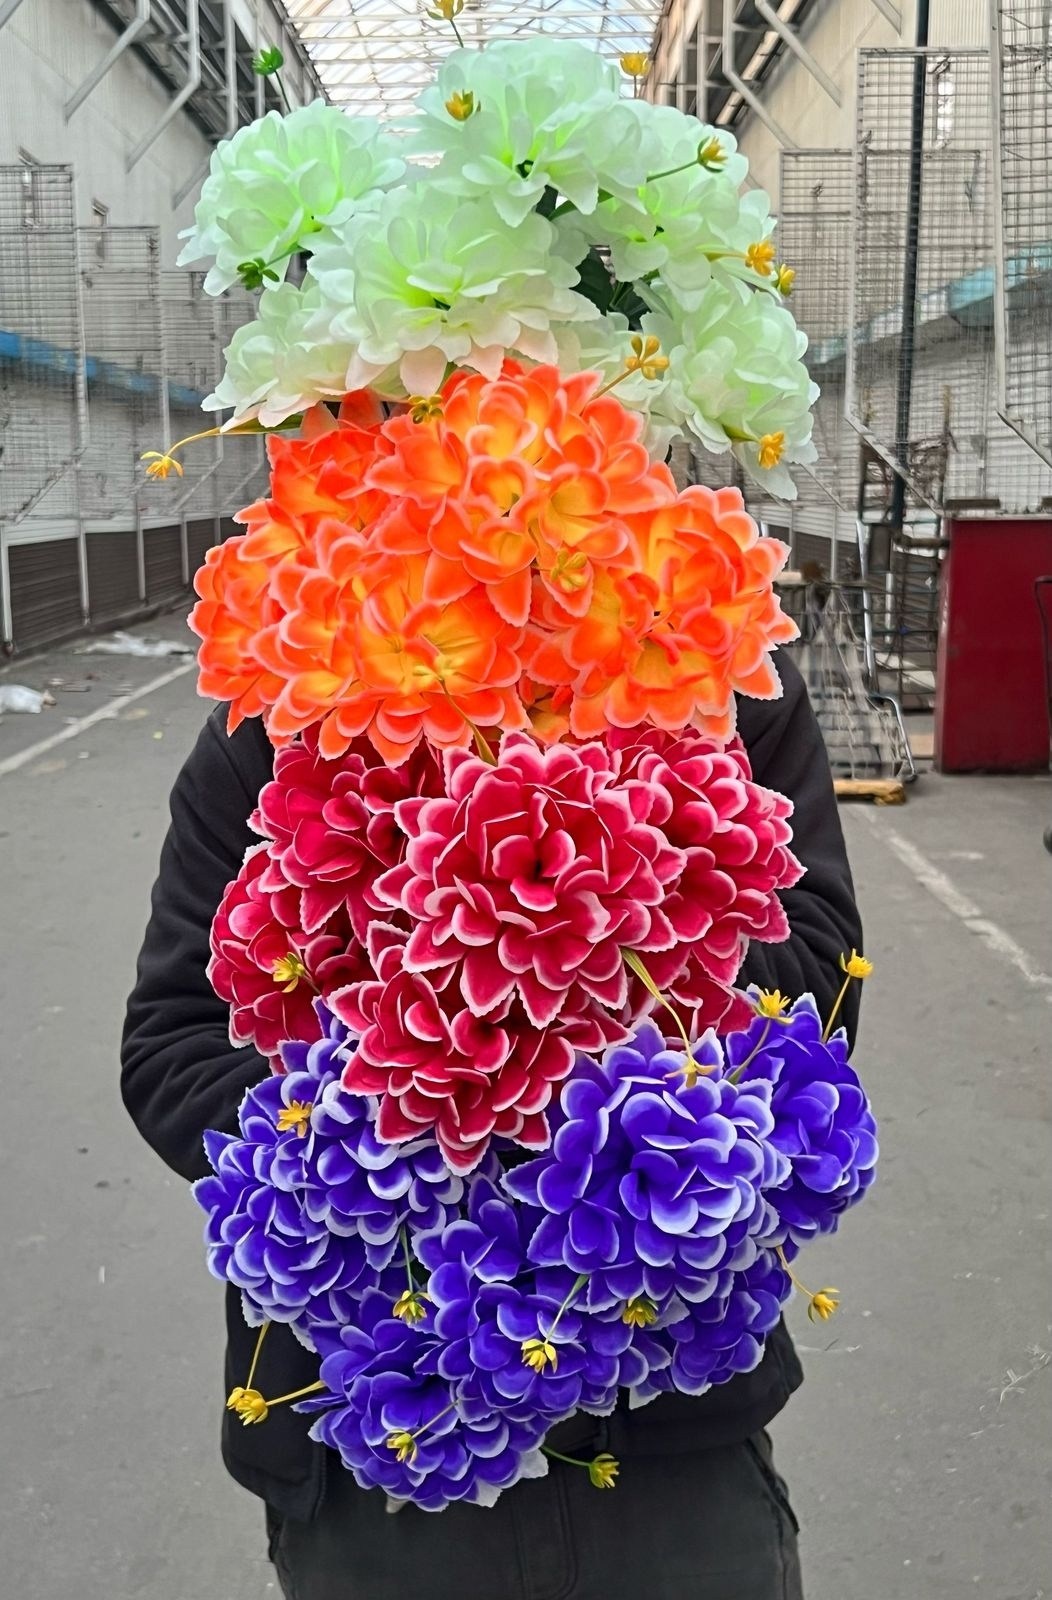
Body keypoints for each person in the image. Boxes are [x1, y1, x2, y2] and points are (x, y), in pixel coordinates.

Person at [122, 651, 862, 1600]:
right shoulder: (286, 712)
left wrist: (615, 935)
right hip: (388, 1436)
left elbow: (823, 980)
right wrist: (364, 1159)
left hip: (674, 1437)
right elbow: (171, 1043)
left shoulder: (714, 674)